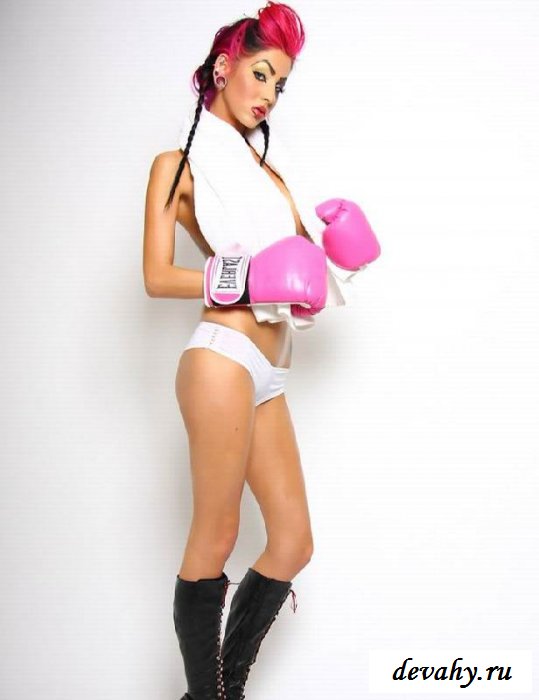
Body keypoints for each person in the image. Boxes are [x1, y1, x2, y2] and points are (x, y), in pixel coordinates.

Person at [143, 3, 380, 698]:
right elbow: (156, 275)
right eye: (261, 74)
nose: (269, 94)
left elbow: (296, 274)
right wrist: (244, 278)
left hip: (269, 371)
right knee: (215, 536)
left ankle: (223, 689)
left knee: (292, 541)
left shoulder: (268, 171)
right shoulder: (177, 165)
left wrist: (337, 252)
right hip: (221, 357)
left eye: (280, 84)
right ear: (224, 68)